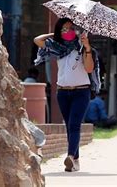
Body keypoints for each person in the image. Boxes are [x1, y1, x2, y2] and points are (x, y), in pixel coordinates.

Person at [34, 18, 94, 172]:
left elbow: (89, 69)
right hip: (63, 92)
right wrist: (54, 34)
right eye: (64, 29)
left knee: (74, 125)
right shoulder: (57, 47)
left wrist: (87, 47)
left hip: (81, 91)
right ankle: (76, 161)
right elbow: (37, 40)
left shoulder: (81, 47)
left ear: (76, 30)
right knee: (69, 126)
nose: (67, 32)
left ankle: (70, 156)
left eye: (70, 28)